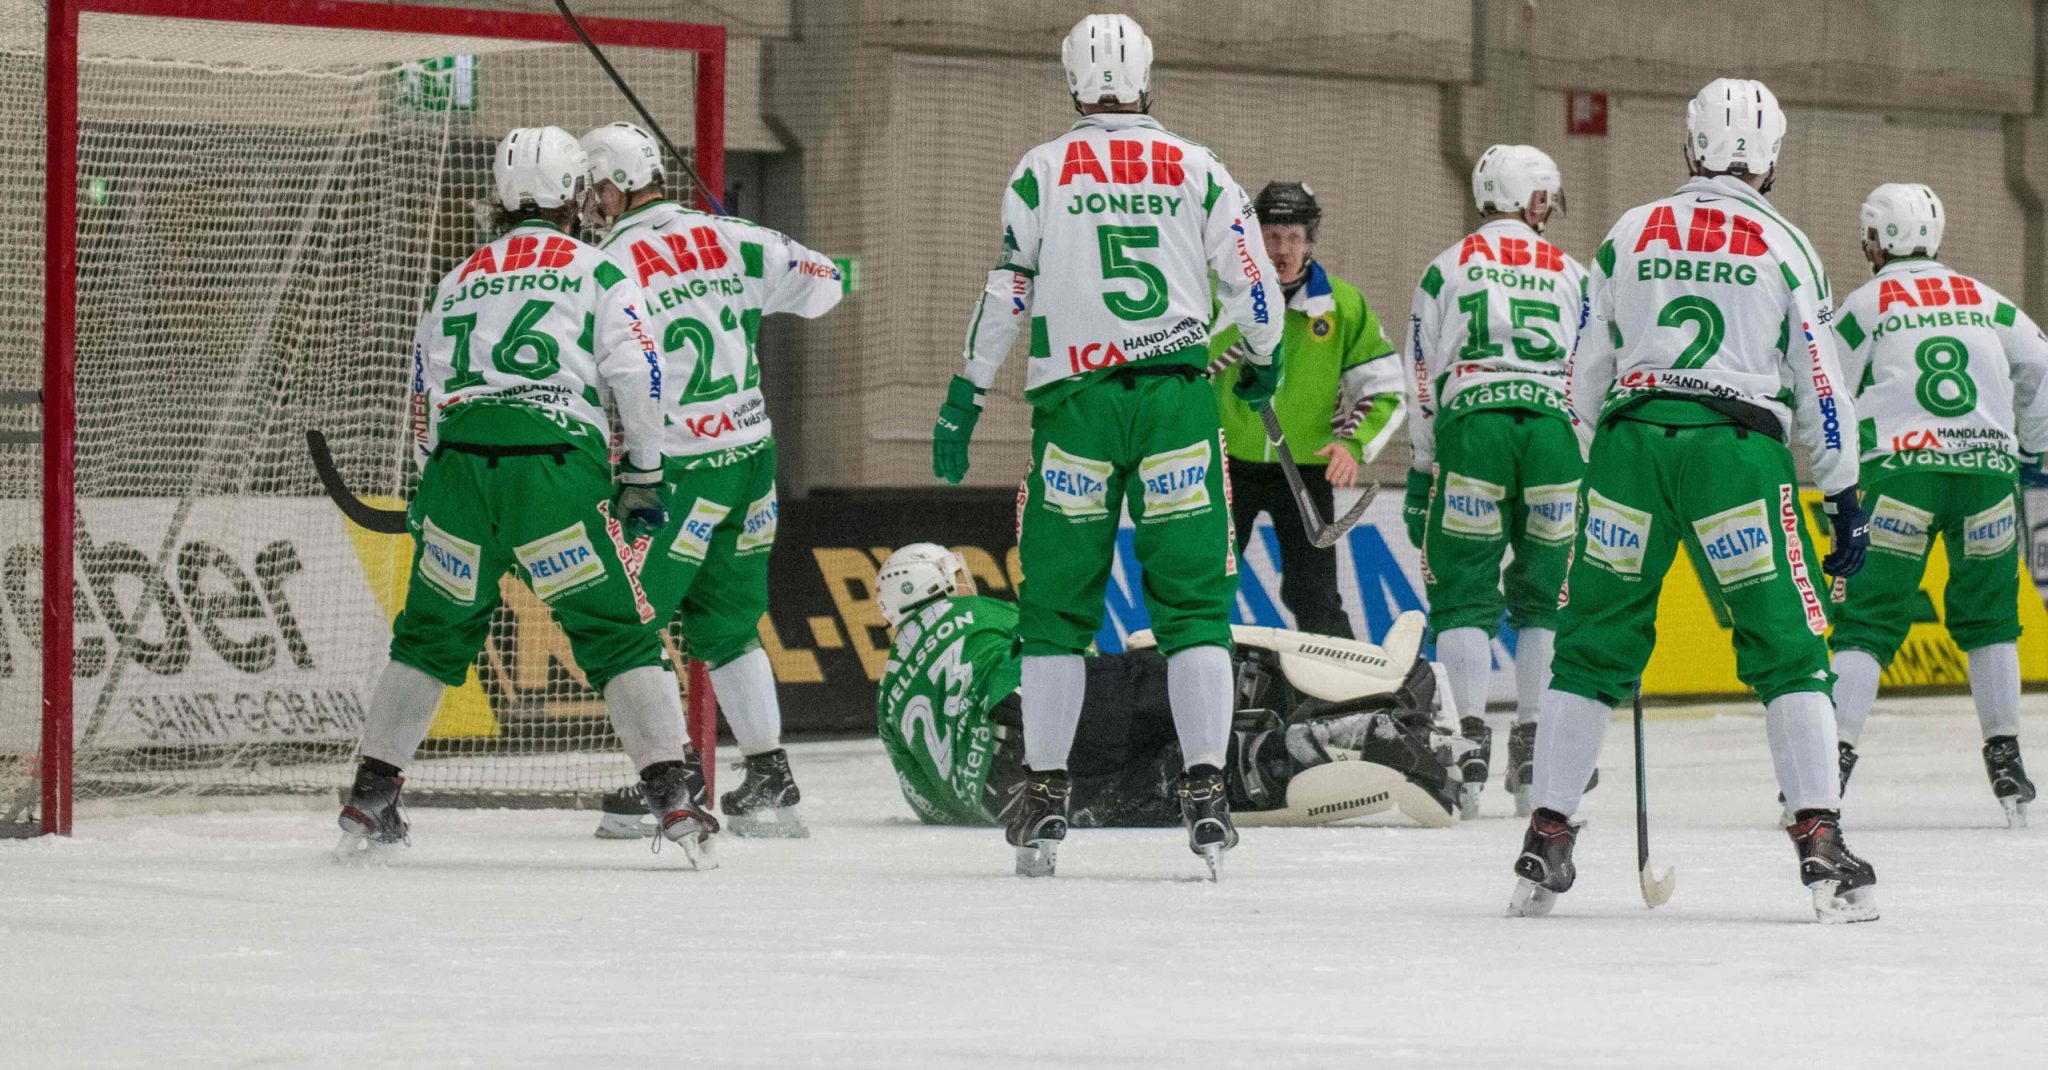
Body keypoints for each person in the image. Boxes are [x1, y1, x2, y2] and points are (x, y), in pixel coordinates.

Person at [1509, 79, 1880, 923]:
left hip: (1631, 448)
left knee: (1590, 647)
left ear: (1690, 147)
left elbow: (1581, 373)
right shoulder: (1789, 244)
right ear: (1773, 158)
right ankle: (1819, 836)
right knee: (1788, 648)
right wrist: (1843, 489)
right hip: (1735, 454)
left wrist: (1607, 453)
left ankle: (1547, 834)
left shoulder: (1627, 232)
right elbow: (1821, 384)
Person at [931, 14, 1284, 878]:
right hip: (1174, 406)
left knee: (1056, 612)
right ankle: (1205, 790)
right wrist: (1260, 366)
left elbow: (1009, 289)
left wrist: (965, 394)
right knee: (1194, 605)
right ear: (1147, 76)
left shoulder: (1041, 169)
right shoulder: (1200, 167)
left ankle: (1046, 791)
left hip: (1075, 411)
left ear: (1072, 82)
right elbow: (1259, 293)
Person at [335, 127, 715, 865]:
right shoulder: (598, 270)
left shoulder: (459, 275)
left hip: (459, 479)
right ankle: (672, 796)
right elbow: (637, 377)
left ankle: (372, 793)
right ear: (575, 195)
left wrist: (428, 489)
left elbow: (425, 395)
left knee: (429, 635)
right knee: (616, 631)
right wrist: (643, 472)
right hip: (552, 477)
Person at [577, 121, 845, 839]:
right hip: (752, 457)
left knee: (626, 622)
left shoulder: (605, 260)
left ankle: (672, 781)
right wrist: (740, 247)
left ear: (616, 183)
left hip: (677, 466)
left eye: (596, 188)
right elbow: (831, 284)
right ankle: (770, 782)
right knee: (728, 627)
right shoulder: (738, 238)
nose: (591, 204)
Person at [873, 545, 1464, 831]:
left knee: (1192, 780)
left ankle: (1353, 740)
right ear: (940, 584)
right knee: (1187, 663)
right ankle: (1378, 684)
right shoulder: (968, 613)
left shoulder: (887, 704)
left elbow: (930, 806)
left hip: (1017, 794)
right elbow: (1053, 657)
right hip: (1044, 716)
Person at [1827, 182, 2047, 827]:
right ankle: (2006, 760)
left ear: (1874, 239)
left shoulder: (1867, 303)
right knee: (1991, 621)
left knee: (1865, 627)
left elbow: (1823, 380)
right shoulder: (1985, 299)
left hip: (1901, 476)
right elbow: (2041, 363)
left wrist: (1831, 464)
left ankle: (1828, 769)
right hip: (1986, 475)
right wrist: (2032, 448)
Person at [1402, 145, 1589, 818]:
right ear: (1535, 198)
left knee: (1462, 594)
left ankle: (1466, 747)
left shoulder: (1444, 269)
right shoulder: (1574, 272)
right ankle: (1535, 750)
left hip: (1473, 428)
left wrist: (1424, 465)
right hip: (1552, 435)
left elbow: (1420, 374)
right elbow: (1594, 369)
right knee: (1547, 595)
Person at [1208, 181, 1404, 639]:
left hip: (1306, 471)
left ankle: (1344, 700)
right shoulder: (1219, 298)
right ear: (1255, 238)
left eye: (1293, 237)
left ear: (1309, 239)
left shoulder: (1342, 305)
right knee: (1205, 587)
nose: (1283, 249)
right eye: (1273, 236)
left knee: (1313, 594)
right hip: (1223, 467)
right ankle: (1187, 692)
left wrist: (1353, 442)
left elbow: (1386, 387)